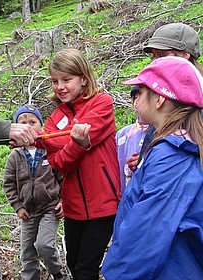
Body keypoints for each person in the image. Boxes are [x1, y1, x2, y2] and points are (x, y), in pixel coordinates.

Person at [101, 56, 203, 279]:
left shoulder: (172, 156)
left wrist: (118, 273)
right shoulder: (176, 147)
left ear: (159, 99)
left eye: (140, 90)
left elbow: (148, 232)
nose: (136, 97)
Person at [34, 48, 120, 280]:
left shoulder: (102, 103)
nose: (59, 86)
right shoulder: (54, 118)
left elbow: (77, 136)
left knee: (85, 269)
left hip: (103, 201)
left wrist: (43, 139)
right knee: (73, 263)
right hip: (73, 206)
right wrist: (77, 144)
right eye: (55, 81)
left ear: (83, 78)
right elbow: (59, 163)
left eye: (66, 79)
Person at [126, 22, 203, 172]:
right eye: (154, 56)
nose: (156, 61)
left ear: (185, 54)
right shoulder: (160, 88)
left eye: (162, 55)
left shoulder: (195, 95)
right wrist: (144, 160)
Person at [3, 104, 66, 280]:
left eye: (33, 122)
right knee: (27, 252)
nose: (28, 126)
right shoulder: (15, 155)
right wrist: (17, 206)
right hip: (27, 212)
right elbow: (8, 184)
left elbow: (62, 179)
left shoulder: (48, 150)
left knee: (44, 245)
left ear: (40, 125)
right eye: (23, 123)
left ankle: (57, 272)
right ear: (16, 127)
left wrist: (63, 200)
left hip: (49, 209)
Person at [116, 86, 149, 194]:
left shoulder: (162, 132)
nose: (136, 102)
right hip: (122, 194)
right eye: (135, 97)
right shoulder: (122, 134)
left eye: (141, 96)